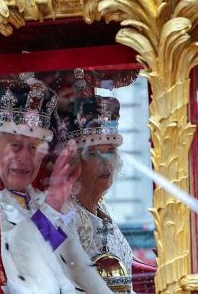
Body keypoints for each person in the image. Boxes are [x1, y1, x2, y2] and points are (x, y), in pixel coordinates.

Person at [0, 77, 111, 293]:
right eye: (15, 146)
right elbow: (16, 282)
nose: (25, 158)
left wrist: (52, 207)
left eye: (34, 148)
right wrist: (50, 209)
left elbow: (69, 269)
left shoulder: (37, 203)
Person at [56, 95, 134, 293]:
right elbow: (43, 253)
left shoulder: (101, 207)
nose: (105, 162)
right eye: (93, 153)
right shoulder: (63, 213)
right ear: (73, 162)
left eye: (109, 151)